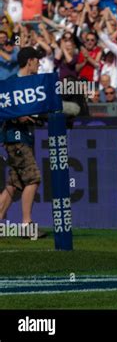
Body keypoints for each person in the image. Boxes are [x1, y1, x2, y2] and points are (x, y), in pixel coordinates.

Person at [0, 47, 47, 238]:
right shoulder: (11, 84)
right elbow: (4, 111)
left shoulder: (33, 84)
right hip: (15, 138)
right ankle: (27, 225)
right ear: (29, 61)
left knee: (14, 184)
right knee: (34, 178)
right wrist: (17, 117)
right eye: (37, 60)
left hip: (24, 138)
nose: (39, 63)